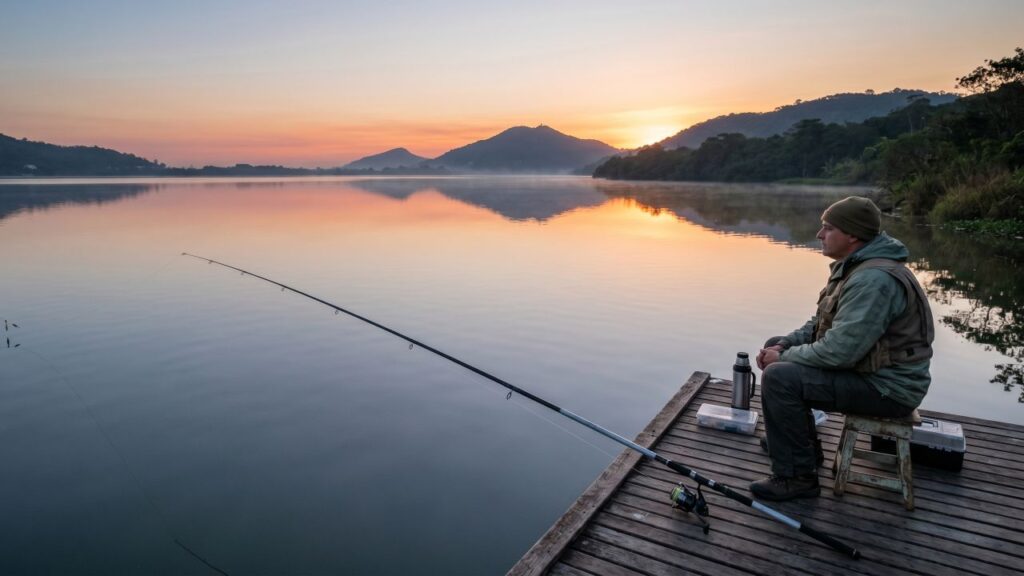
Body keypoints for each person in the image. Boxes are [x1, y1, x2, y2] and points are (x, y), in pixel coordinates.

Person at [750, 196, 934, 501]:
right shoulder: (856, 267)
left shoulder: (873, 281)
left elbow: (839, 352)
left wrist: (782, 358)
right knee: (776, 346)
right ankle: (800, 447)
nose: (820, 234)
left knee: (781, 377)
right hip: (872, 375)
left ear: (852, 235)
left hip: (888, 389)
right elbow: (819, 324)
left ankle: (797, 477)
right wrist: (783, 344)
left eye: (828, 228)